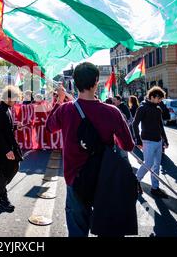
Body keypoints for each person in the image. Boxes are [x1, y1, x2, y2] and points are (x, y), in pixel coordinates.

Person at [46, 62, 135, 237]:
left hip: (75, 179)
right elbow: (128, 146)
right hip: (105, 178)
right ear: (96, 82)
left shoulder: (65, 110)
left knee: (77, 230)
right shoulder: (113, 112)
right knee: (108, 228)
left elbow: (49, 127)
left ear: (75, 83)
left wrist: (59, 100)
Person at [0, 86, 23, 212]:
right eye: (14, 99)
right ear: (8, 98)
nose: (16, 101)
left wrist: (15, 127)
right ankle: (3, 198)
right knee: (5, 171)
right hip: (2, 147)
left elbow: (5, 128)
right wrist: (7, 150)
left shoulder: (6, 109)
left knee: (15, 167)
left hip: (8, 144)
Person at [133, 86, 169, 198]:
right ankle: (135, 181)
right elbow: (134, 124)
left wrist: (165, 140)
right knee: (148, 163)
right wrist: (138, 140)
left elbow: (160, 125)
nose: (160, 101)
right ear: (152, 97)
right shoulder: (142, 108)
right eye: (159, 99)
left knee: (156, 165)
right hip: (147, 141)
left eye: (161, 99)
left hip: (158, 140)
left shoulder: (158, 109)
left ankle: (155, 188)